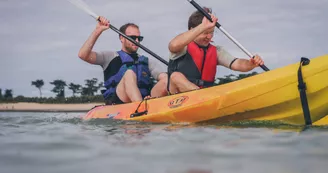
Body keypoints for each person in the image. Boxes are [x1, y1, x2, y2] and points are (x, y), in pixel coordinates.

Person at [167, 7, 265, 94]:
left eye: (212, 32)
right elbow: (173, 46)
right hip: (177, 98)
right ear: (192, 30)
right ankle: (202, 97)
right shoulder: (183, 47)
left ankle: (203, 98)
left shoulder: (217, 51)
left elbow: (237, 64)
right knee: (175, 76)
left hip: (204, 95)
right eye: (205, 32)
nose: (209, 37)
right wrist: (202, 26)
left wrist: (250, 64)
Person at [78, 16, 168, 105]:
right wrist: (98, 30)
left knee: (167, 79)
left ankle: (150, 105)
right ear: (122, 38)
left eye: (139, 38)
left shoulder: (147, 62)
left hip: (146, 100)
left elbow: (164, 79)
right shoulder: (110, 56)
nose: (137, 41)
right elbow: (83, 55)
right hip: (119, 100)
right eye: (132, 38)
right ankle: (140, 106)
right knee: (129, 73)